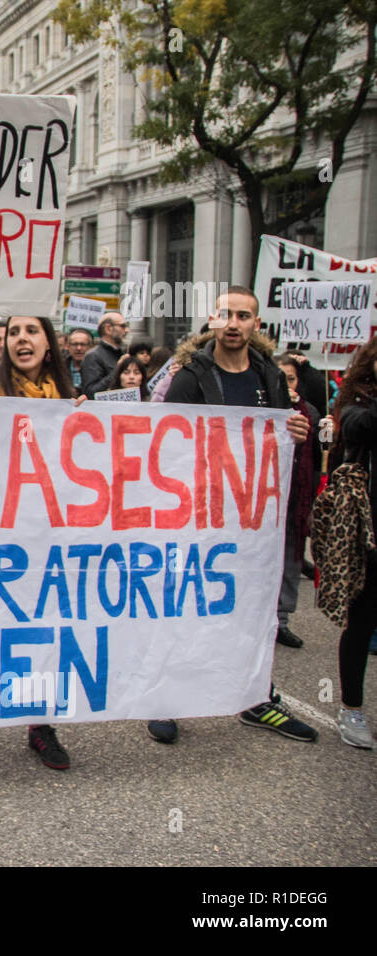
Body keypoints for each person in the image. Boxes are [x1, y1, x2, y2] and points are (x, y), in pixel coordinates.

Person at [148, 286, 317, 744]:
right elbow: (166, 440)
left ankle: (256, 696)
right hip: (196, 513)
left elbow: (280, 436)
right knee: (184, 603)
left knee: (251, 608)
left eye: (244, 316)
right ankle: (164, 699)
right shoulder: (191, 376)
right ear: (213, 320)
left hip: (250, 518)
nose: (235, 324)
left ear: (255, 325)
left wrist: (295, 429)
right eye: (227, 315)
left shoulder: (269, 375)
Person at [0, 315, 82, 769]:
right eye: (13, 332)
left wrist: (92, 424)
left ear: (48, 344)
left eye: (31, 330)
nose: (21, 339)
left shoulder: (72, 402)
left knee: (43, 630)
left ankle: (40, 723)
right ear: (3, 345)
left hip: (50, 540)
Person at [325, 337, 377, 748]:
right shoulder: (357, 402)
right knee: (362, 620)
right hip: (369, 530)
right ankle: (351, 707)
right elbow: (360, 427)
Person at [273, 354, 320, 649]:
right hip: (262, 504)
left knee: (291, 562)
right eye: (280, 379)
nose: (286, 385)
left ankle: (283, 620)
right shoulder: (260, 408)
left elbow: (325, 446)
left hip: (295, 501)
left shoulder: (310, 412)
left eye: (290, 379)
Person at [80, 312, 128, 397]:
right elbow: (91, 393)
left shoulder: (123, 353)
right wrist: (117, 370)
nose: (127, 330)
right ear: (108, 329)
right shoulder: (93, 356)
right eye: (122, 326)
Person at [65, 327, 93, 395]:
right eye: (75, 344)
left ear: (91, 347)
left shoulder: (98, 369)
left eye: (83, 344)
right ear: (68, 347)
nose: (79, 348)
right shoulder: (59, 367)